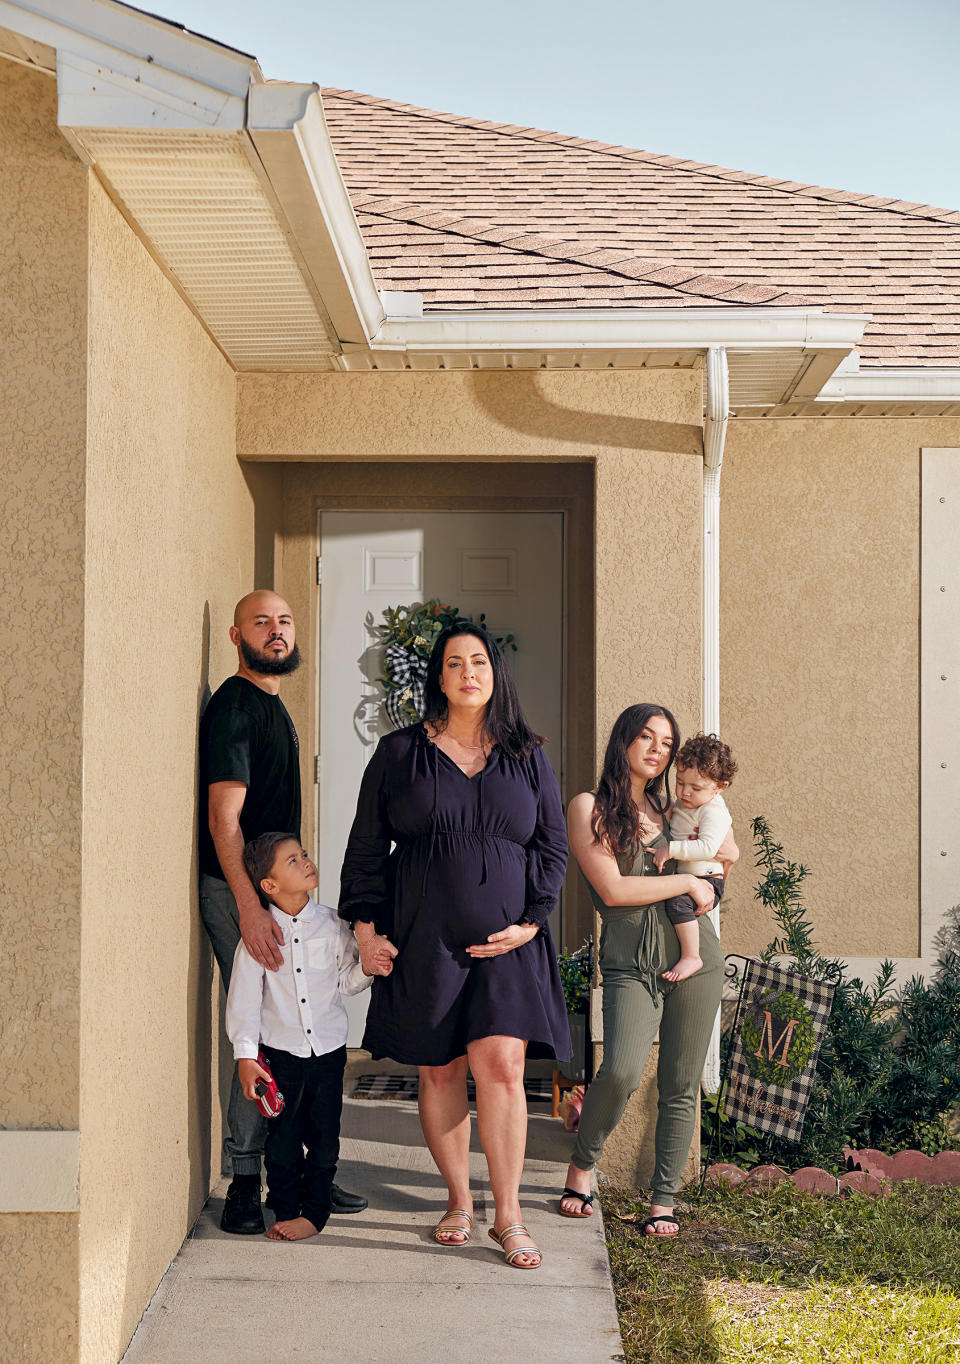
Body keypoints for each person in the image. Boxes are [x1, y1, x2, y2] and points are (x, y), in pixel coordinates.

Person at [338, 619, 572, 1269]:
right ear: (438, 678)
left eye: (479, 661)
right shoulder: (398, 753)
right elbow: (366, 846)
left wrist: (532, 920)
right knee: (439, 1068)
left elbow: (551, 844)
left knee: (500, 1065)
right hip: (422, 938)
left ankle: (510, 1215)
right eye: (454, 663)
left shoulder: (526, 756)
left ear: (494, 674)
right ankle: (457, 1200)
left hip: (506, 943)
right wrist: (364, 929)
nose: (468, 672)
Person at [199, 589, 367, 1233]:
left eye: (285, 621)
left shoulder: (273, 706)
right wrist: (250, 905)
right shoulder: (237, 707)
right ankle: (247, 1180)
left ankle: (294, 1176)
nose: (276, 631)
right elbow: (225, 818)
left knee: (292, 1032)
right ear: (237, 637)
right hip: (239, 893)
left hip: (267, 895)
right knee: (261, 1029)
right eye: (261, 622)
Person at [559, 704, 736, 1236]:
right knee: (622, 1070)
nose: (658, 749)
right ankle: (582, 1164)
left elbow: (729, 850)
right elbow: (613, 890)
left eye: (667, 741)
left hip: (697, 958)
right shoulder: (588, 806)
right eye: (646, 737)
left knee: (681, 1082)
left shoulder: (675, 804)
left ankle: (664, 1198)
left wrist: (708, 871)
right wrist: (686, 882)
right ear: (623, 742)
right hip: (630, 962)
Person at [226, 833, 377, 1241]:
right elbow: (242, 999)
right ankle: (286, 1208)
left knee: (325, 1139)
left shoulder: (332, 926)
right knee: (283, 1141)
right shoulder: (258, 936)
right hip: (281, 1055)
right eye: (293, 861)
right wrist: (245, 1055)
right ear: (269, 886)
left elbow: (346, 983)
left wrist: (369, 966)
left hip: (328, 1054)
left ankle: (314, 1213)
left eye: (304, 855)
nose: (306, 862)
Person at [653, 733, 737, 983]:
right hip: (692, 875)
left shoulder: (713, 810)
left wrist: (671, 850)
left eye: (696, 788)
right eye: (680, 783)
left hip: (707, 879)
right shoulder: (683, 804)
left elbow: (709, 848)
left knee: (678, 903)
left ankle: (692, 956)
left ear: (720, 787)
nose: (685, 792)